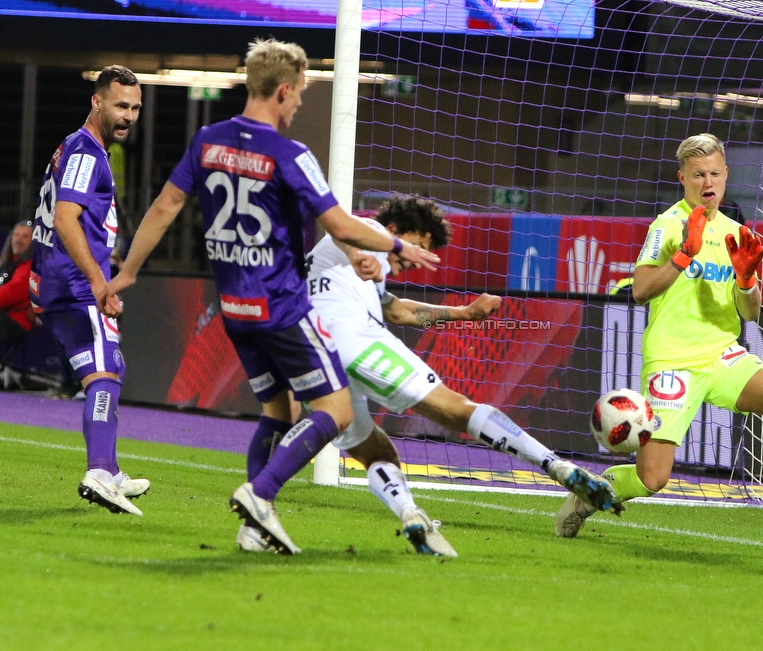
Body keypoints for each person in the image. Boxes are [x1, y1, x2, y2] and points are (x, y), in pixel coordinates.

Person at [98, 39, 439, 555]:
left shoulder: (208, 140)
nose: (299, 103)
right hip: (281, 305)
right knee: (338, 410)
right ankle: (261, 493)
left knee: (277, 411)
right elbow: (340, 223)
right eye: (299, 93)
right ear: (282, 90)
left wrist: (129, 272)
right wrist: (394, 246)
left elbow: (167, 206)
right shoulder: (289, 154)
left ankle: (254, 527)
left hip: (234, 308)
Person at [555, 133, 763, 556]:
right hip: (673, 362)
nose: (708, 182)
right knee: (652, 480)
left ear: (725, 176)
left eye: (716, 173)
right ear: (682, 177)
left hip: (722, 353)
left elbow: (751, 312)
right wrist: (683, 254)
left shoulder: (736, 232)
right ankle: (588, 492)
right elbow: (641, 290)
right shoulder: (667, 226)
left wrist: (746, 280)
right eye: (699, 174)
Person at [288, 194, 615, 556]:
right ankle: (558, 467)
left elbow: (397, 312)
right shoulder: (371, 232)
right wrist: (370, 252)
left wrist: (464, 313)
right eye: (417, 247)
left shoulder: (357, 269)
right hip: (350, 336)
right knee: (456, 408)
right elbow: (345, 232)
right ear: (396, 229)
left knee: (373, 450)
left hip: (308, 351)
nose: (413, 261)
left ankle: (410, 513)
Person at [28, 66, 150, 515]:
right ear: (97, 102)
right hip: (76, 285)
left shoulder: (78, 146)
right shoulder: (86, 153)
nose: (130, 116)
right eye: (121, 105)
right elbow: (64, 218)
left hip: (55, 282)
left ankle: (111, 468)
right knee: (105, 373)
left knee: (107, 364)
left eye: (136, 108)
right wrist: (100, 283)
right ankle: (99, 471)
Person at [0, 221, 35, 359]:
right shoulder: (7, 261)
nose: (19, 239)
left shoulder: (30, 265)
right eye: (16, 235)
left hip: (16, 321)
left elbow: (10, 294)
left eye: (25, 236)